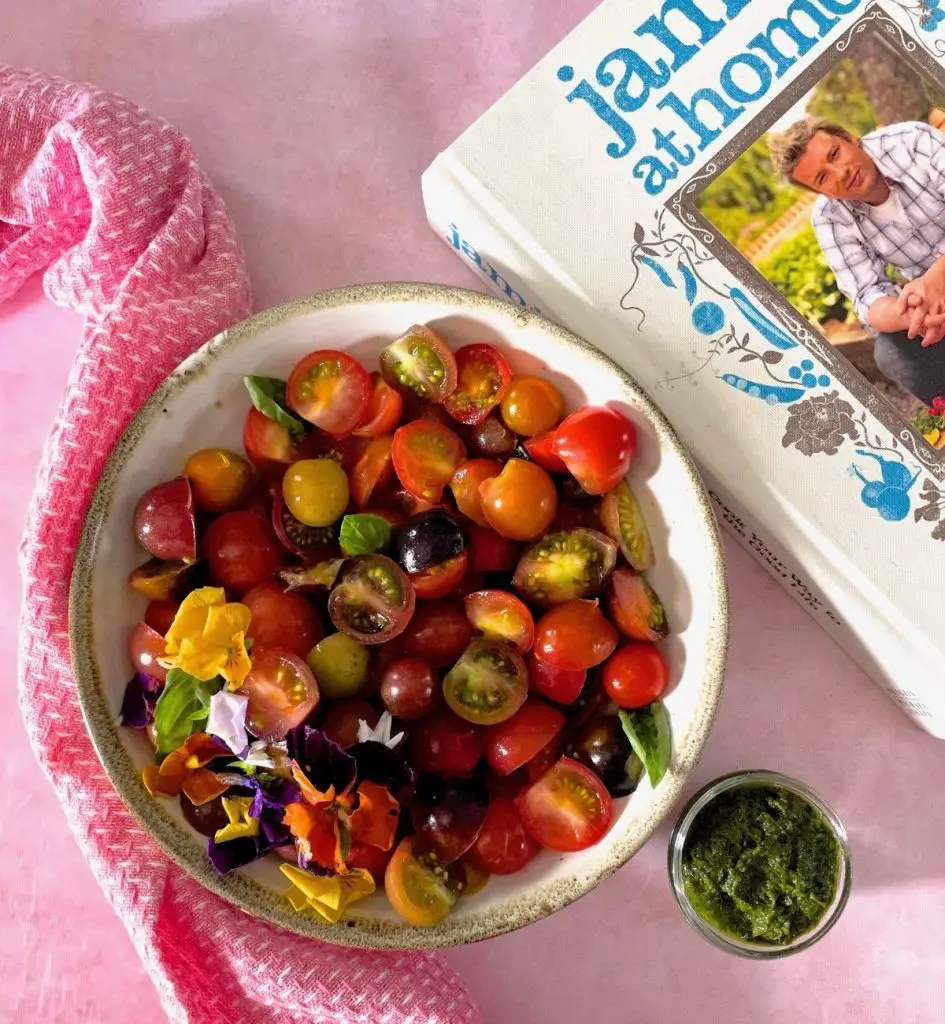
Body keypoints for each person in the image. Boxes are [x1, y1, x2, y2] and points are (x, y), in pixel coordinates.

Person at [768, 115, 945, 405]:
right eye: (823, 178)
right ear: (819, 192)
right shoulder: (829, 219)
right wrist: (912, 315)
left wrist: (938, 278)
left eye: (835, 155)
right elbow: (867, 296)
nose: (840, 173)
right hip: (937, 309)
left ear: (851, 138)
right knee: (890, 353)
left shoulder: (911, 142)